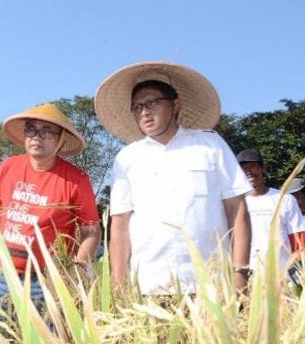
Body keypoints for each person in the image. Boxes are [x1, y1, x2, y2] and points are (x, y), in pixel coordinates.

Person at [94, 61, 252, 296]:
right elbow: (119, 226)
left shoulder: (210, 145)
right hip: (149, 284)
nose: (144, 112)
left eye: (152, 103)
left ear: (176, 104)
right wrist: (119, 283)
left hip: (211, 283)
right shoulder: (127, 158)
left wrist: (240, 272)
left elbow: (237, 210)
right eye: (137, 107)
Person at [0, 102, 102, 313]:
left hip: (47, 282)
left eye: (46, 131)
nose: (36, 137)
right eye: (31, 130)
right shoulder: (8, 167)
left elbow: (91, 231)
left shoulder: (76, 180)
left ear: (60, 140)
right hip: (4, 277)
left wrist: (75, 269)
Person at [236, 149, 305, 271]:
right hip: (248, 277)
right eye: (243, 168)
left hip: (283, 277)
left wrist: (299, 271)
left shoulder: (284, 199)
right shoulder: (235, 204)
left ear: (263, 168)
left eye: (253, 166)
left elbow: (298, 238)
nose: (248, 171)